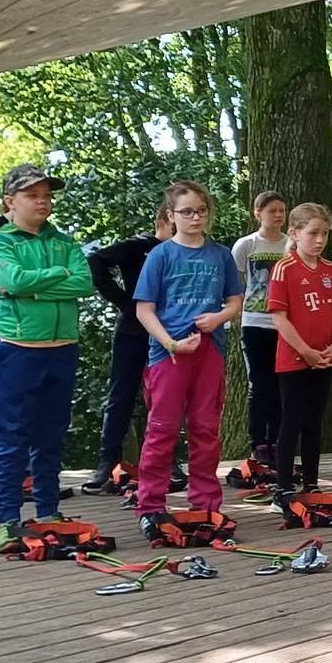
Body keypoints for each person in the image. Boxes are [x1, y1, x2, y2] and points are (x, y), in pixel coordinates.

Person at [0, 165, 95, 553]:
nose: (43, 201)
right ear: (10, 202)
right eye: (32, 195)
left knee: (51, 433)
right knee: (14, 435)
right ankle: (8, 519)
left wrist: (33, 287)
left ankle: (48, 511)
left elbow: (84, 282)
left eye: (47, 194)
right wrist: (55, 278)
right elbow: (13, 281)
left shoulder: (64, 240)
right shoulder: (0, 241)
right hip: (19, 348)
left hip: (63, 347)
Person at [132, 180, 243, 538]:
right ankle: (151, 506)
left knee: (205, 428)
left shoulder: (221, 254)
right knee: (162, 430)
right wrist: (170, 344)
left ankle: (206, 504)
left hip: (210, 349)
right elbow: (144, 310)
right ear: (171, 215)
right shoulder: (160, 256)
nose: (195, 217)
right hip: (170, 355)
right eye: (187, 211)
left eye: (201, 210)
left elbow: (236, 302)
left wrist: (218, 319)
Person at [83, 204, 186, 494]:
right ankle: (107, 462)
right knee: (121, 395)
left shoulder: (187, 252)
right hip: (132, 331)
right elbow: (96, 262)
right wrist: (125, 303)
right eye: (181, 216)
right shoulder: (137, 246)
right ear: (167, 218)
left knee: (166, 398)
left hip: (169, 333)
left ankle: (168, 460)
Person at [268, 203, 332, 494]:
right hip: (295, 359)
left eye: (324, 233)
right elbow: (279, 317)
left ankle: (311, 484)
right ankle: (283, 488)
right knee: (292, 422)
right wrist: (306, 351)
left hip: (325, 357)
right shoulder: (283, 268)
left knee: (315, 422)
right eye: (313, 233)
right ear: (295, 233)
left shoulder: (330, 269)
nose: (320, 240)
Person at [232, 191, 288, 469]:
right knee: (259, 384)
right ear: (258, 213)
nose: (278, 215)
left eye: (281, 210)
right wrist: (241, 309)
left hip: (284, 325)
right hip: (255, 323)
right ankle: (259, 443)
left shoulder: (291, 245)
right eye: (272, 211)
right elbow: (235, 282)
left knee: (281, 385)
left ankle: (279, 440)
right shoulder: (246, 245)